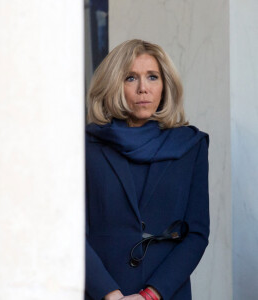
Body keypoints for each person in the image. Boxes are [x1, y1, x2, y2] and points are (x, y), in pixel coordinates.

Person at [85, 39, 209, 300]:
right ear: (114, 84)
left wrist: (150, 295)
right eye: (131, 78)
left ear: (165, 85)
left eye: (152, 77)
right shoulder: (85, 146)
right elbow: (70, 231)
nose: (143, 88)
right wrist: (110, 294)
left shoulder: (191, 145)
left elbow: (196, 234)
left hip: (166, 293)